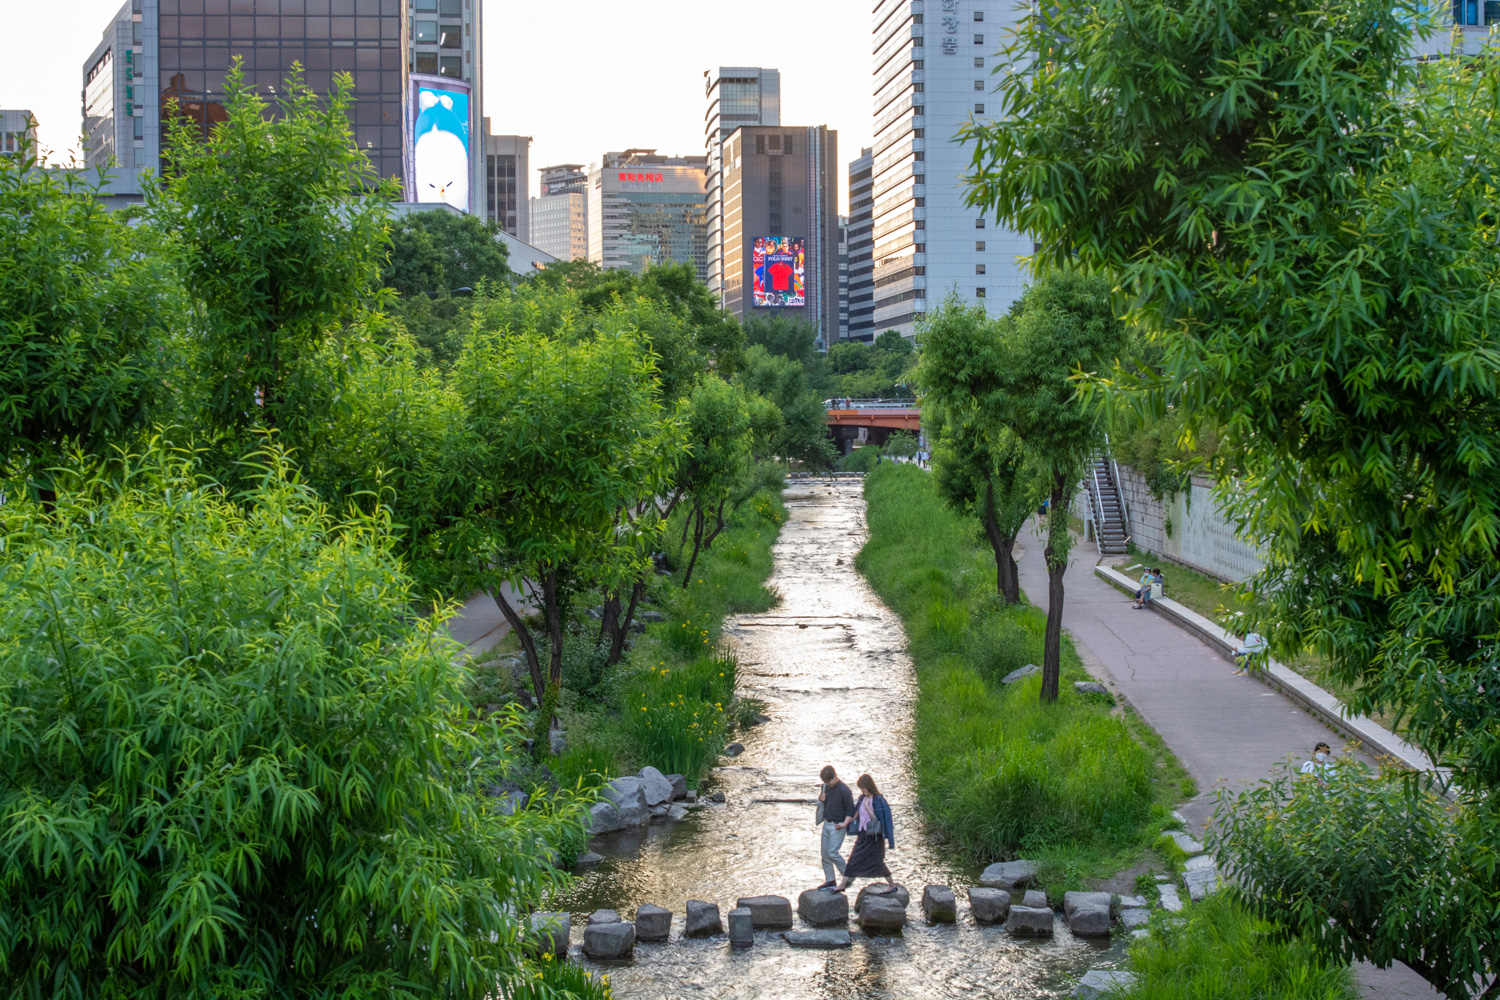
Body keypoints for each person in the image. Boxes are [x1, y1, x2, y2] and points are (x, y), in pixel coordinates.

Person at [833, 774, 896, 895]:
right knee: (853, 859)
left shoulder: (878, 800)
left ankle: (892, 885)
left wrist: (868, 808)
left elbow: (877, 819)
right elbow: (856, 813)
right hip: (863, 834)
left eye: (863, 787)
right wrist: (846, 823)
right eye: (861, 788)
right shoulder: (862, 798)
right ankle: (842, 884)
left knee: (877, 861)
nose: (862, 790)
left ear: (869, 786)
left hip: (874, 836)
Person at [815, 765, 854, 890]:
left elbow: (850, 811)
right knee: (825, 854)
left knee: (832, 852)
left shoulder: (845, 790)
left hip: (838, 825)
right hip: (827, 823)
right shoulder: (825, 786)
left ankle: (848, 875)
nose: (828, 784)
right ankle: (830, 880)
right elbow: (822, 801)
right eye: (826, 782)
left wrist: (844, 824)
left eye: (829, 781)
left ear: (835, 776)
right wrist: (820, 799)